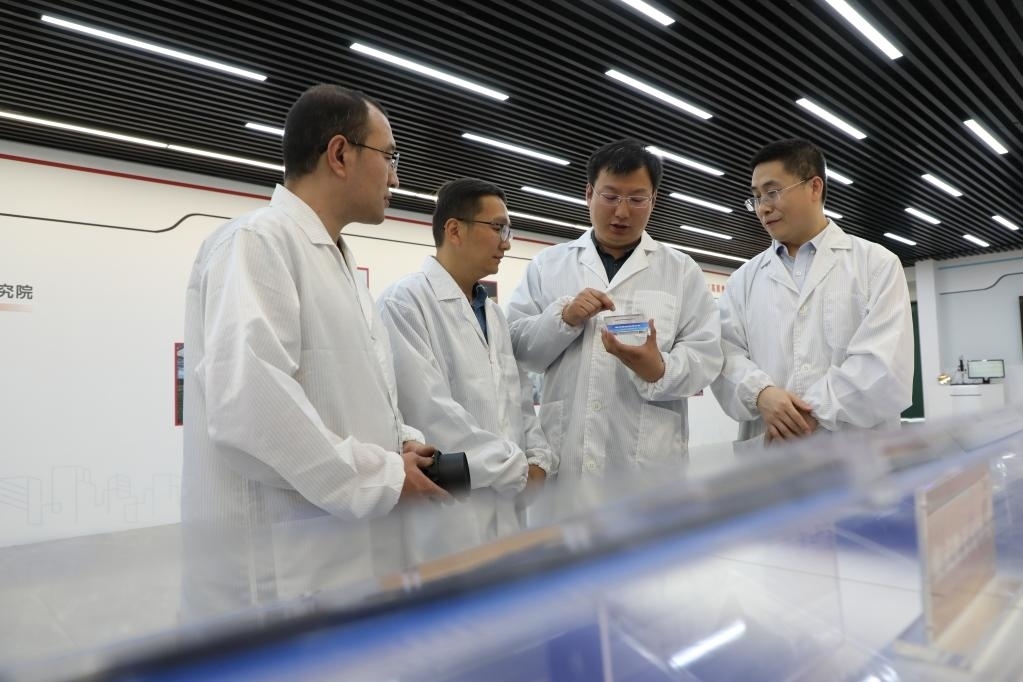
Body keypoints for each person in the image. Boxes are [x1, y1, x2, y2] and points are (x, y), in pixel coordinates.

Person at [181, 84, 449, 617]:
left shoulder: (337, 261)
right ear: (340, 154)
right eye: (390, 156)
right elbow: (251, 406)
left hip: (334, 563)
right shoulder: (257, 242)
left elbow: (345, 392)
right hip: (274, 580)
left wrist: (398, 443)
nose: (396, 178)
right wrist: (382, 476)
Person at [506, 139, 722, 490]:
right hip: (566, 458)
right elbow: (517, 346)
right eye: (610, 196)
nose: (622, 212)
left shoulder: (681, 271)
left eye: (636, 199)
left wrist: (659, 369)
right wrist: (562, 319)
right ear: (589, 194)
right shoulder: (549, 265)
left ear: (653, 201)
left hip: (647, 469)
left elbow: (707, 356)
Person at [377, 178, 556, 559]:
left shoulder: (493, 313)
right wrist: (516, 469)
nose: (506, 243)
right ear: (455, 230)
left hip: (508, 506)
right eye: (498, 228)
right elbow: (429, 412)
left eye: (508, 231)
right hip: (451, 514)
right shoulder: (405, 303)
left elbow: (520, 402)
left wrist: (539, 459)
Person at [710, 138, 913, 447]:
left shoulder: (876, 264)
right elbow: (725, 354)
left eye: (773, 192)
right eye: (756, 197)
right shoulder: (743, 280)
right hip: (773, 454)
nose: (763, 207)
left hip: (855, 453)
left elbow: (884, 366)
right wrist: (761, 394)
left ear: (814, 187)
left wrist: (804, 413)